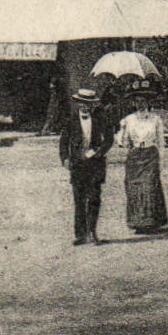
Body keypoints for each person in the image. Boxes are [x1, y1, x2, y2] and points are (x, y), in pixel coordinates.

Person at [58, 87, 113, 246]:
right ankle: (81, 234)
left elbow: (109, 139)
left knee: (94, 198)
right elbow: (63, 142)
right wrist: (65, 158)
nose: (84, 107)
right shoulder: (71, 120)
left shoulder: (100, 119)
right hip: (77, 164)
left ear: (92, 105)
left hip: (95, 164)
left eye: (87, 104)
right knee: (79, 199)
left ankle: (92, 232)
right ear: (77, 104)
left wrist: (99, 152)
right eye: (81, 103)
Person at [114, 86, 168, 234]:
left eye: (143, 101)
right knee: (135, 188)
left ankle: (151, 221)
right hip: (135, 156)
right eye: (137, 102)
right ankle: (137, 222)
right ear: (133, 104)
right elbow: (124, 143)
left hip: (150, 154)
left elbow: (160, 141)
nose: (140, 105)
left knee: (149, 186)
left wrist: (160, 160)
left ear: (148, 103)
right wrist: (122, 129)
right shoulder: (129, 120)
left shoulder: (155, 119)